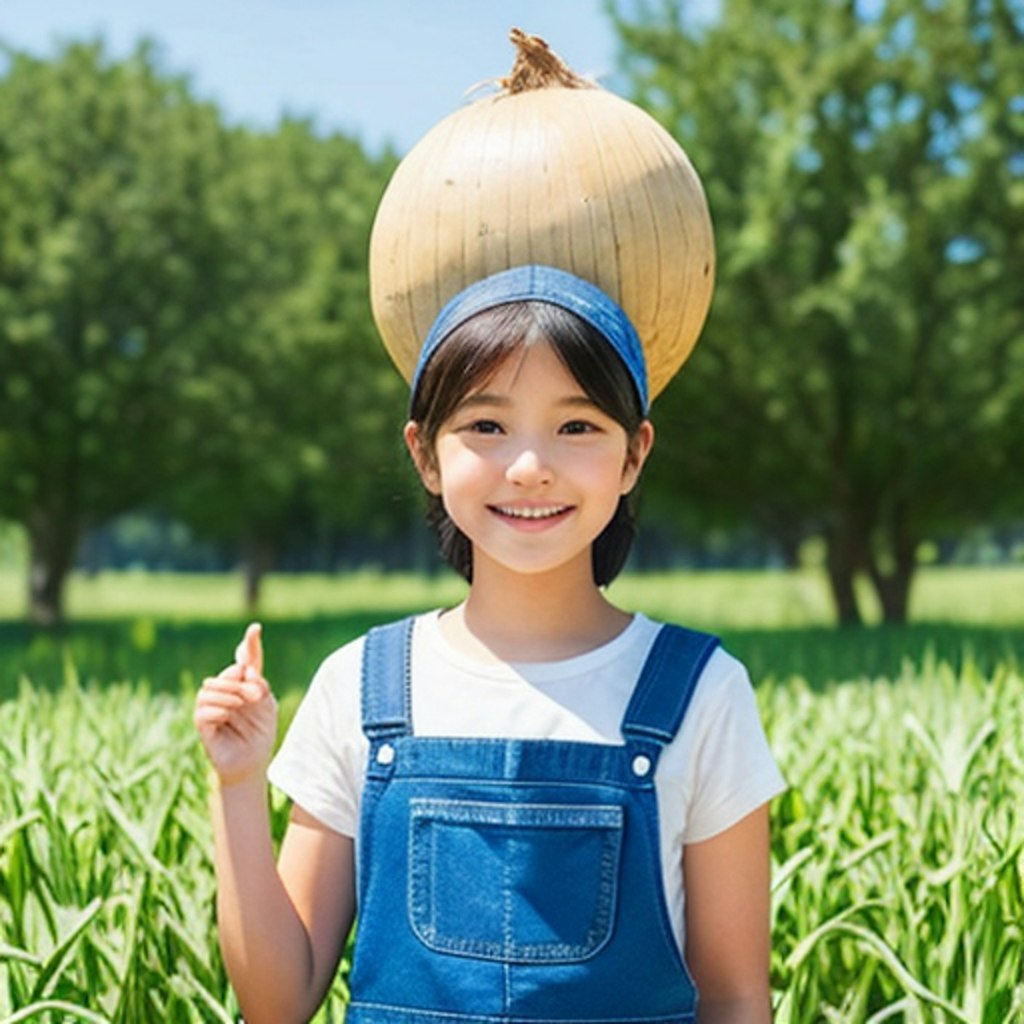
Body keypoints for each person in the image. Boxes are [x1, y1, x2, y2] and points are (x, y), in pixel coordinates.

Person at [194, 265, 786, 1024]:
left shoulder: (702, 689)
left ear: (634, 454)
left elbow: (735, 996)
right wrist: (238, 786)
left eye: (577, 427)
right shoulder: (363, 686)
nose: (531, 468)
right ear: (426, 456)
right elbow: (278, 1003)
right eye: (486, 426)